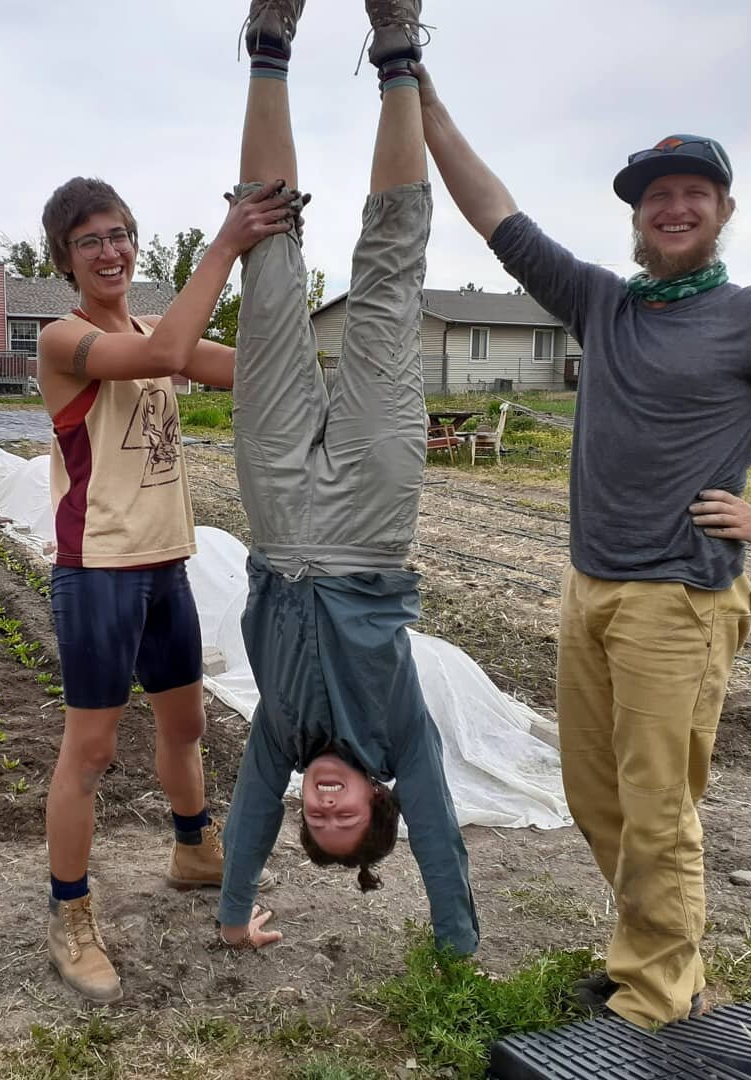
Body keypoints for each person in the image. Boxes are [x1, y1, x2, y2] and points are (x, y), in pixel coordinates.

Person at [413, 70, 751, 1026]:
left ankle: (657, 997)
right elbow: (495, 213)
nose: (673, 207)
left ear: (723, 209)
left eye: (691, 193)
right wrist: (416, 86)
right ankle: (661, 959)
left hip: (682, 600)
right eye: (655, 196)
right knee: (595, 796)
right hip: (589, 589)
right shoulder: (603, 303)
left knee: (658, 807)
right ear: (636, 218)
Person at [212, 0, 480, 960]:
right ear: (375, 800)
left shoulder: (279, 741)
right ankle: (399, 44)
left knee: (269, 268)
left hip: (279, 518)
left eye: (314, 821)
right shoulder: (402, 733)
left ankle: (269, 41)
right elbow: (441, 841)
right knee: (390, 279)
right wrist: (455, 948)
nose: (325, 806)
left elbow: (245, 824)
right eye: (345, 818)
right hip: (371, 520)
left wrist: (235, 911)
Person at [36, 174, 296, 1002]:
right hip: (99, 572)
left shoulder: (157, 327)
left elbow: (248, 367)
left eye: (118, 235)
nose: (109, 252)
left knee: (184, 725)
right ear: (65, 259)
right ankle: (69, 913)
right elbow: (159, 358)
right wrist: (226, 243)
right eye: (90, 242)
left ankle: (193, 848)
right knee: (94, 750)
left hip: (163, 566)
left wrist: (286, 272)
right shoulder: (60, 339)